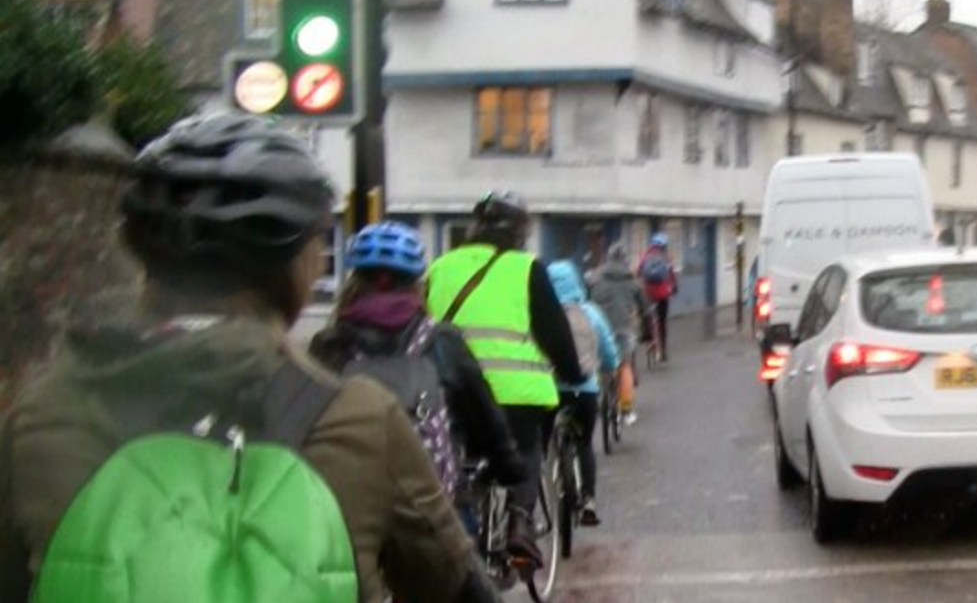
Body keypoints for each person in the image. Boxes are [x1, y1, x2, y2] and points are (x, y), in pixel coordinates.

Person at [0, 113, 504, 603]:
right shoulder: (359, 419)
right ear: (301, 264)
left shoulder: (44, 412)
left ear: (140, 258)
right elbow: (453, 584)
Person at [309, 221, 527, 507]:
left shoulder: (329, 345)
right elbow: (483, 412)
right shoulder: (441, 341)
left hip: (348, 503)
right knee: (460, 535)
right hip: (427, 506)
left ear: (353, 283)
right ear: (416, 284)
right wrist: (507, 462)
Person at [425, 190, 585, 567]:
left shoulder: (440, 268)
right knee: (526, 452)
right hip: (515, 393)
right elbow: (555, 334)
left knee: (455, 455)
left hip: (450, 389)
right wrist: (572, 373)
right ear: (519, 232)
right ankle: (520, 522)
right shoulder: (527, 268)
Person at [545, 260, 619, 526]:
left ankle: (545, 498)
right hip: (586, 391)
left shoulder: (542, 314)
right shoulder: (591, 313)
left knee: (546, 444)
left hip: (552, 391)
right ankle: (588, 499)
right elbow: (609, 349)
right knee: (585, 444)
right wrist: (611, 367)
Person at [589, 242, 649, 425]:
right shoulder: (633, 282)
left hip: (597, 327)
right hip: (623, 328)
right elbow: (645, 310)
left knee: (598, 363)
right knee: (624, 366)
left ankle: (598, 397)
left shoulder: (594, 279)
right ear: (625, 260)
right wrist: (647, 334)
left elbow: (584, 302)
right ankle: (626, 411)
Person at [637, 232, 678, 362]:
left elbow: (638, 272)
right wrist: (674, 287)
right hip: (662, 293)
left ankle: (648, 340)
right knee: (662, 321)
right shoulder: (666, 258)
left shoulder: (644, 256)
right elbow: (671, 275)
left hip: (648, 293)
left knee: (646, 316)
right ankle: (663, 350)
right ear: (664, 246)